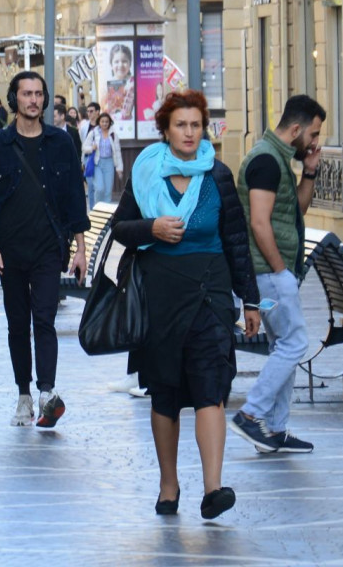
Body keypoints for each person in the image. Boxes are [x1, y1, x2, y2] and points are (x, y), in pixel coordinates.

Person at [109, 89, 260, 519]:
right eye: (181, 125)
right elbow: (121, 229)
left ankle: (213, 489)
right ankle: (168, 483)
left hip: (210, 294)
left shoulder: (217, 175)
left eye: (196, 125)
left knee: (211, 386)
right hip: (160, 295)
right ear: (166, 129)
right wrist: (152, 228)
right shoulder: (147, 173)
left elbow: (236, 240)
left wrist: (250, 299)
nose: (190, 133)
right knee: (165, 392)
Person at [0, 72, 89, 428]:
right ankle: (23, 393)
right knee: (17, 324)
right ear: (15, 99)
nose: (34, 100)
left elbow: (74, 199)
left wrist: (81, 250)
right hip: (9, 250)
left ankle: (46, 392)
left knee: (45, 319)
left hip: (48, 248)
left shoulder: (61, 142)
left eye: (39, 94)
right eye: (27, 94)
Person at [230, 94, 326, 455]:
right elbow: (259, 222)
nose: (315, 141)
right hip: (268, 273)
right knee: (294, 343)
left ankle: (274, 429)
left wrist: (311, 171)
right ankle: (252, 415)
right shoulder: (267, 162)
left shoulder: (278, 159)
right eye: (313, 134)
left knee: (283, 344)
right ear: (297, 129)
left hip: (270, 272)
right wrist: (281, 270)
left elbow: (294, 213)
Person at [82, 112, 123, 207]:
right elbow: (84, 147)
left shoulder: (113, 135)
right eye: (102, 121)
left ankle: (106, 214)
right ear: (99, 122)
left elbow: (117, 152)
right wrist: (92, 147)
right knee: (99, 188)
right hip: (97, 163)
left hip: (109, 163)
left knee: (108, 190)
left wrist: (119, 168)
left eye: (106, 122)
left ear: (110, 123)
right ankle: (97, 209)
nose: (104, 123)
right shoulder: (93, 133)